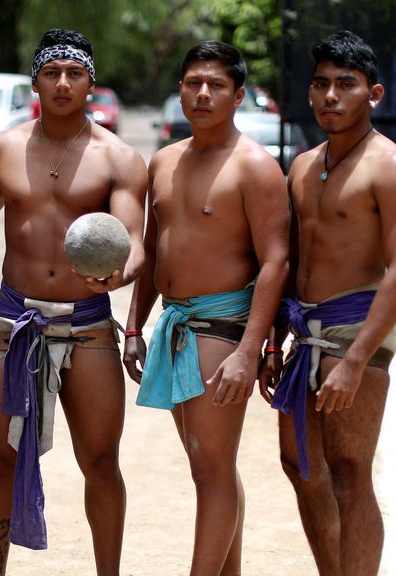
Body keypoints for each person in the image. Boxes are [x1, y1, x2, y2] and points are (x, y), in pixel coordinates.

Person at [0, 28, 147, 576]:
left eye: (75, 73)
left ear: (91, 81)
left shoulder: (120, 157)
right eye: (52, 72)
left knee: (101, 461)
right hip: (18, 322)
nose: (63, 83)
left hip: (88, 326)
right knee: (3, 458)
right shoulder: (3, 149)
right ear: (36, 79)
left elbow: (135, 241)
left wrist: (119, 273)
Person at [259, 30, 396, 576]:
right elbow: (292, 259)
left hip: (356, 329)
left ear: (372, 94)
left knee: (349, 469)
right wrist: (269, 340)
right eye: (322, 84)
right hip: (304, 330)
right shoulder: (303, 166)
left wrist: (354, 363)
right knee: (299, 464)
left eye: (346, 85)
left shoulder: (393, 168)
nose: (332, 95)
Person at [122, 41, 289, 576]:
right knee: (207, 465)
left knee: (212, 467)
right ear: (180, 92)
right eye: (193, 82)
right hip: (175, 321)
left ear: (239, 95)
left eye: (216, 85)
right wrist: (133, 325)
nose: (202, 93)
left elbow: (276, 263)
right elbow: (153, 250)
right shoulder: (165, 161)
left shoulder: (255, 167)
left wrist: (251, 350)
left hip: (222, 325)